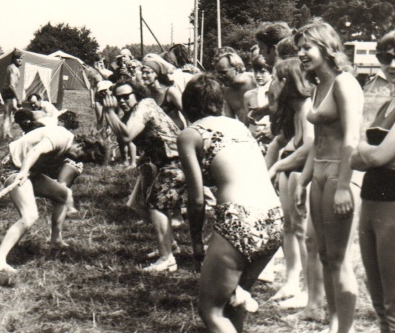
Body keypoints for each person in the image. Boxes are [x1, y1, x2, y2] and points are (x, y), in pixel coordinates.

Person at [177, 74, 283, 333]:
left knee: (210, 311)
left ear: (187, 105)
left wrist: (195, 243)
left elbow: (197, 199)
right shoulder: (239, 126)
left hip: (239, 219)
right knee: (233, 303)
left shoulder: (190, 134)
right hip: (275, 218)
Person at [292, 21, 364, 333]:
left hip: (339, 174)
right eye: (299, 48)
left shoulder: (344, 83)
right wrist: (304, 179)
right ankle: (333, 322)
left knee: (339, 258)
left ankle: (343, 328)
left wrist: (344, 186)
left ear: (326, 47)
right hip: (319, 173)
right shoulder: (319, 85)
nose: (301, 53)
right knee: (323, 254)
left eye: (307, 47)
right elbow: (315, 141)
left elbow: (351, 139)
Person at [0, 126, 105, 273]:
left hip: (31, 171)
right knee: (30, 216)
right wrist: (24, 172)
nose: (80, 161)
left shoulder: (69, 149)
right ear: (81, 145)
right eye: (83, 156)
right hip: (13, 168)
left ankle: (55, 240)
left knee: (64, 195)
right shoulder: (60, 136)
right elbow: (35, 151)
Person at [264, 58, 325, 318]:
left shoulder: (307, 107)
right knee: (289, 227)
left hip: (301, 173)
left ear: (290, 81)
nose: (272, 83)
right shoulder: (293, 109)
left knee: (302, 231)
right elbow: (286, 141)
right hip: (291, 171)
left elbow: (309, 146)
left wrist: (278, 166)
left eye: (277, 78)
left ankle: (306, 290)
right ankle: (291, 281)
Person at [102, 80, 184, 271]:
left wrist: (109, 112)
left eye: (126, 96)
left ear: (136, 94)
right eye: (118, 97)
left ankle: (166, 258)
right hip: (160, 161)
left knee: (156, 205)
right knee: (137, 204)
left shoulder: (144, 105)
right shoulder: (132, 112)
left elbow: (126, 136)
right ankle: (169, 245)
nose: (122, 101)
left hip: (176, 160)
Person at [351, 29, 395, 333]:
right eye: (385, 57)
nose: (391, 64)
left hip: (392, 202)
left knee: (393, 291)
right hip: (371, 198)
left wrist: (365, 151)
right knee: (375, 286)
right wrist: (370, 152)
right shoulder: (385, 105)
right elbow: (357, 157)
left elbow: (375, 157)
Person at [141, 54, 186, 130]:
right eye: (142, 72)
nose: (144, 76)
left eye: (147, 73)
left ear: (156, 74)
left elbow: (187, 114)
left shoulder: (170, 92)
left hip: (177, 133)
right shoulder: (147, 94)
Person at [213, 51, 257, 123]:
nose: (220, 77)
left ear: (237, 69)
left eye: (223, 72)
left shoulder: (255, 81)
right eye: (218, 73)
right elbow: (229, 120)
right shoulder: (226, 91)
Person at [243, 55, 272, 150]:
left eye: (262, 72)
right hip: (257, 142)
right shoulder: (249, 95)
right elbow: (248, 123)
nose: (258, 75)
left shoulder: (277, 92)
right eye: (255, 72)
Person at [2, 50, 23, 139]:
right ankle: (3, 136)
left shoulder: (12, 67)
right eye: (18, 58)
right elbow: (11, 85)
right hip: (8, 92)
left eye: (21, 58)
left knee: (13, 112)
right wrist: (18, 98)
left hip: (9, 92)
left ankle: (8, 132)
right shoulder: (13, 69)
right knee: (7, 115)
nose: (20, 60)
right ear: (13, 59)